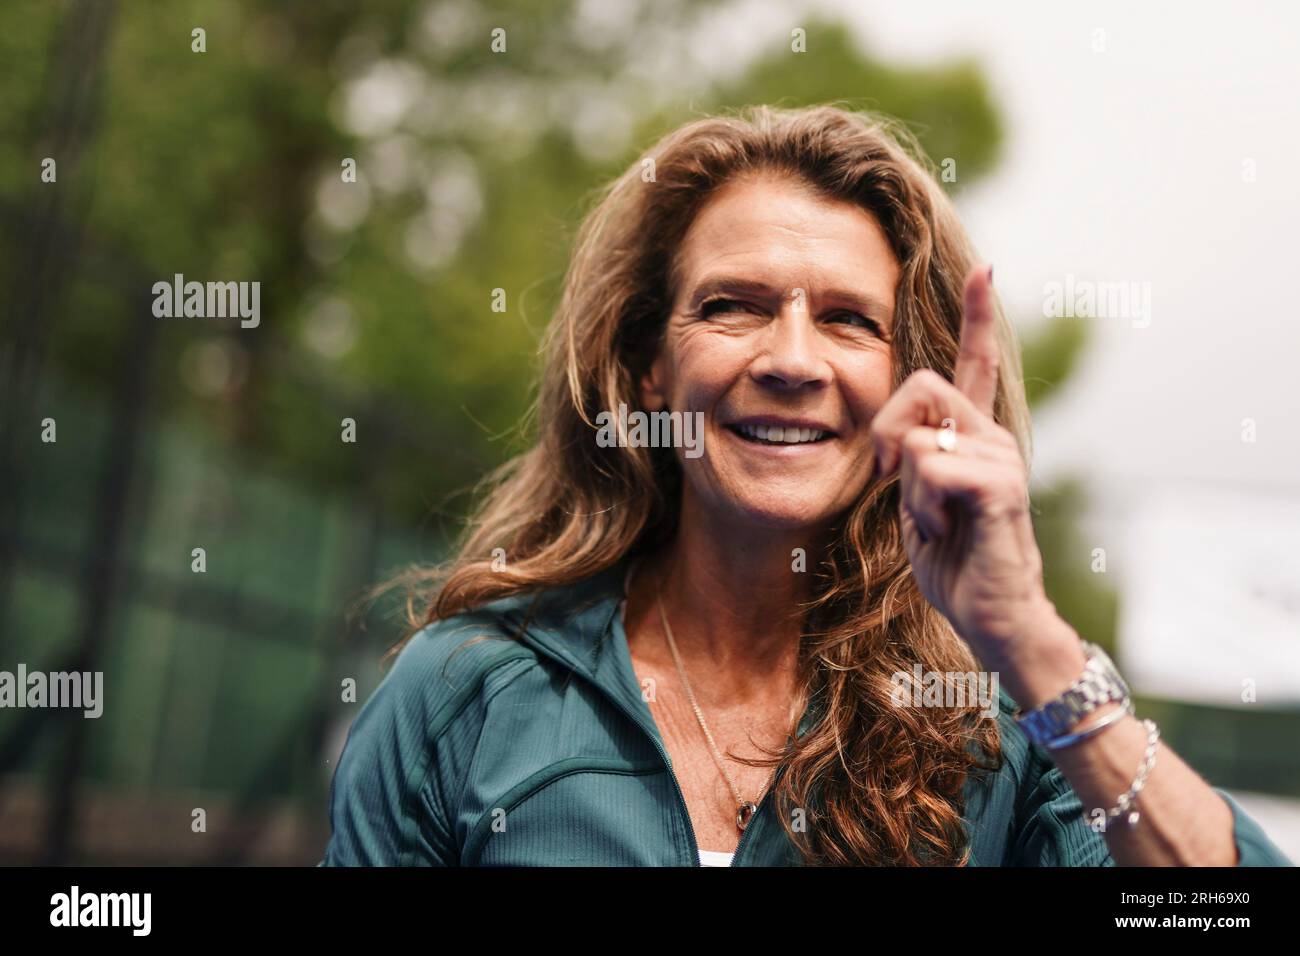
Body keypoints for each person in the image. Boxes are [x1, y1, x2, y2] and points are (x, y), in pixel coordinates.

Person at [320, 104, 1292, 866]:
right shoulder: (467, 690)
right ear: (649, 366)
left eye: (847, 320)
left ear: (912, 383)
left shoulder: (995, 732)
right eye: (731, 306)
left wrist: (1031, 643)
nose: (790, 358)